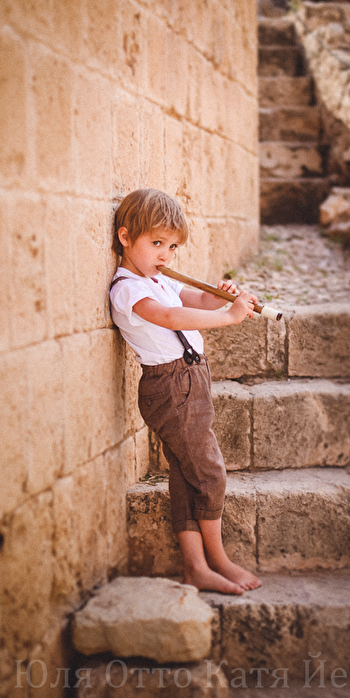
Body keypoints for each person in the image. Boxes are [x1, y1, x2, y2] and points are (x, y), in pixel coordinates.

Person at [110, 188, 262, 595]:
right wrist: (229, 318)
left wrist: (218, 297)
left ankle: (195, 567)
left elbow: (192, 300)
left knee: (185, 475)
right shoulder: (128, 289)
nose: (165, 255)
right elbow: (169, 316)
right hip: (170, 386)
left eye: (173, 247)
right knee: (209, 473)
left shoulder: (156, 279)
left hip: (191, 380)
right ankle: (219, 560)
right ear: (125, 237)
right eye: (157, 243)